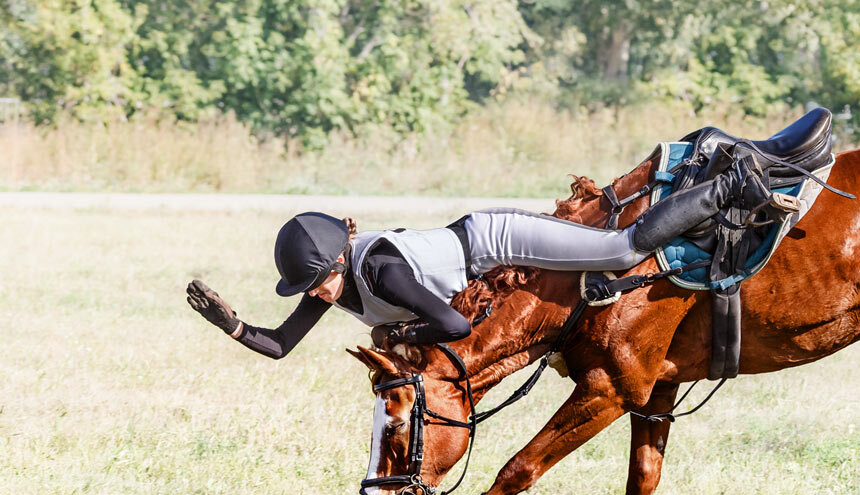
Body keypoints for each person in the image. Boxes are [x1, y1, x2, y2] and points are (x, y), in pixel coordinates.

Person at [186, 159, 785, 358]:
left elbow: (454, 324)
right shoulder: (335, 281)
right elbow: (281, 345)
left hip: (497, 241)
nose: (315, 296)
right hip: (472, 252)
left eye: (316, 284)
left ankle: (730, 187)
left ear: (338, 263)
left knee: (622, 248)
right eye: (310, 290)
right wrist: (231, 325)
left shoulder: (378, 270)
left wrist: (395, 336)